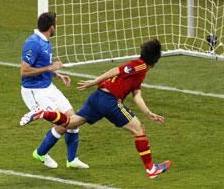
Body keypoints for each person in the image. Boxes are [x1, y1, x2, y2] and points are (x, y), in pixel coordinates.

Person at [20, 39, 171, 179]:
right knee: (139, 130)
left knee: (70, 124)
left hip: (97, 98)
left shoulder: (141, 71)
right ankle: (151, 169)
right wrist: (94, 81)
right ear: (156, 58)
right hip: (110, 101)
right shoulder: (140, 65)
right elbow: (116, 70)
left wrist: (149, 113)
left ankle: (43, 113)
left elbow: (137, 95)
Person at [20, 12, 88, 169]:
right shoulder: (33, 43)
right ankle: (41, 153)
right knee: (65, 122)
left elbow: (41, 65)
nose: (57, 26)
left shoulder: (45, 41)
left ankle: (71, 160)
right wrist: (51, 67)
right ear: (52, 27)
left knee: (74, 119)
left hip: (48, 87)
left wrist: (57, 75)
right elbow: (24, 71)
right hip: (34, 91)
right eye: (56, 24)